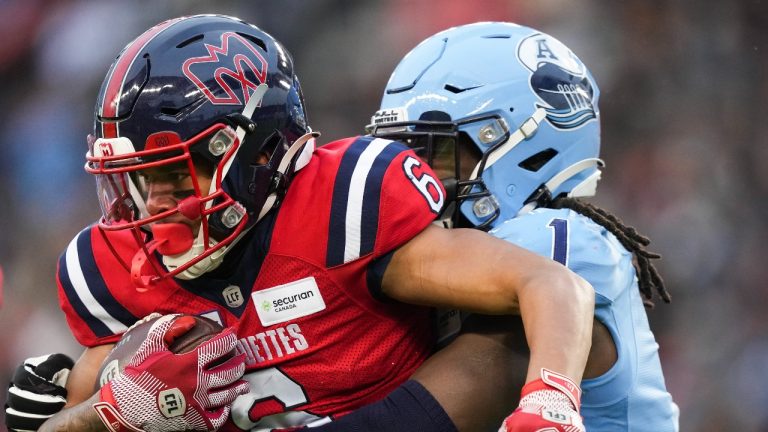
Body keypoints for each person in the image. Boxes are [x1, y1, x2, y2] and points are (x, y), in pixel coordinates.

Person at [5, 15, 594, 432]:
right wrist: (98, 417)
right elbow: (73, 419)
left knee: (496, 345)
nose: (152, 207)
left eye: (177, 176)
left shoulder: (345, 207)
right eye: (136, 182)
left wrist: (550, 401)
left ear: (259, 152)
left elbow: (548, 284)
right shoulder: (109, 270)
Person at [365, 22, 680, 431]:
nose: (413, 180)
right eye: (400, 158)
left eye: (435, 155)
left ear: (529, 144)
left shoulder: (558, 238)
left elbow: (445, 400)